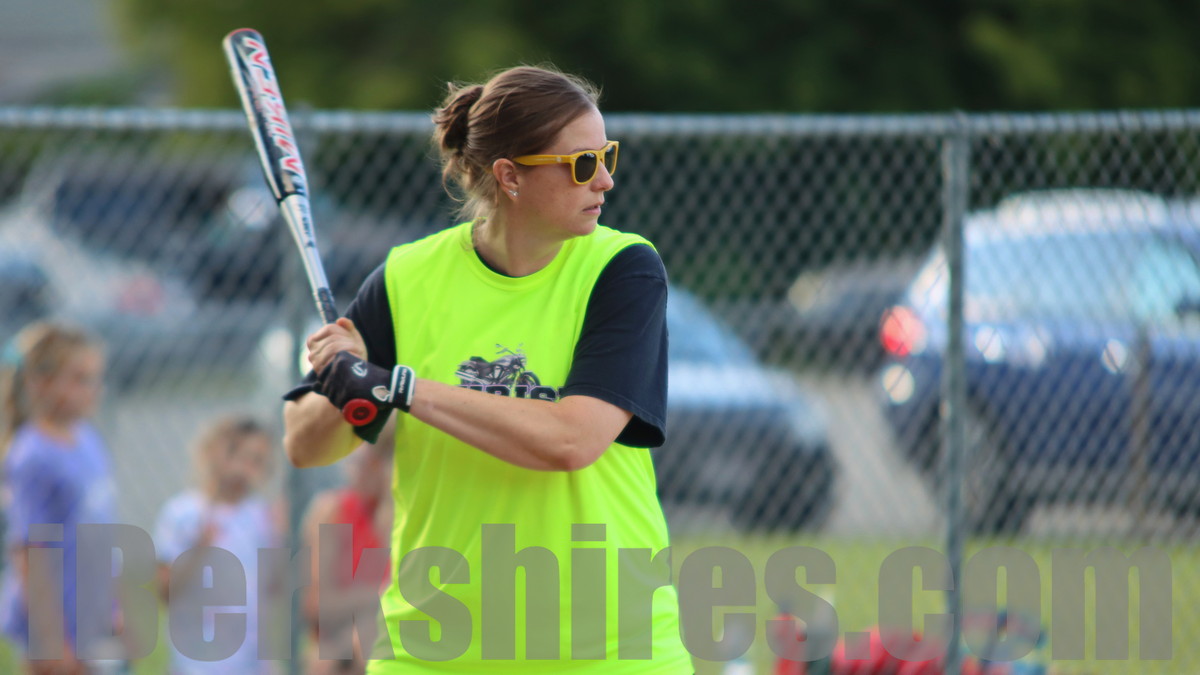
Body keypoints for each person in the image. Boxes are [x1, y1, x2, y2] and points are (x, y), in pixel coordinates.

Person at [282, 65, 692, 673]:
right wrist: (343, 381)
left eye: (607, 156)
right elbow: (304, 444)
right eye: (582, 163)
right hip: (435, 649)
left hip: (607, 649)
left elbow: (572, 440)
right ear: (510, 176)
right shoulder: (408, 277)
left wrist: (399, 387)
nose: (605, 179)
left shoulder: (622, 268)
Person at [0, 321, 121, 675]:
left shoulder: (88, 440)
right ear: (40, 382)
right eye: (80, 379)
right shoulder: (32, 455)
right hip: (55, 622)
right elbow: (29, 551)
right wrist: (51, 639)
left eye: (96, 378)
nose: (95, 389)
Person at [153, 415, 281, 675]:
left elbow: (273, 588)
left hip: (250, 661)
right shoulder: (184, 513)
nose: (248, 468)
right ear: (215, 453)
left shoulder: (260, 517)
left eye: (259, 461)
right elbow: (165, 591)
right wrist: (199, 551)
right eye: (241, 455)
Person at [301, 420, 394, 675]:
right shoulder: (332, 510)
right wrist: (383, 595)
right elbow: (317, 605)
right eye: (354, 461)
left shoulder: (398, 515)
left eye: (372, 462)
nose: (358, 471)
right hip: (342, 644)